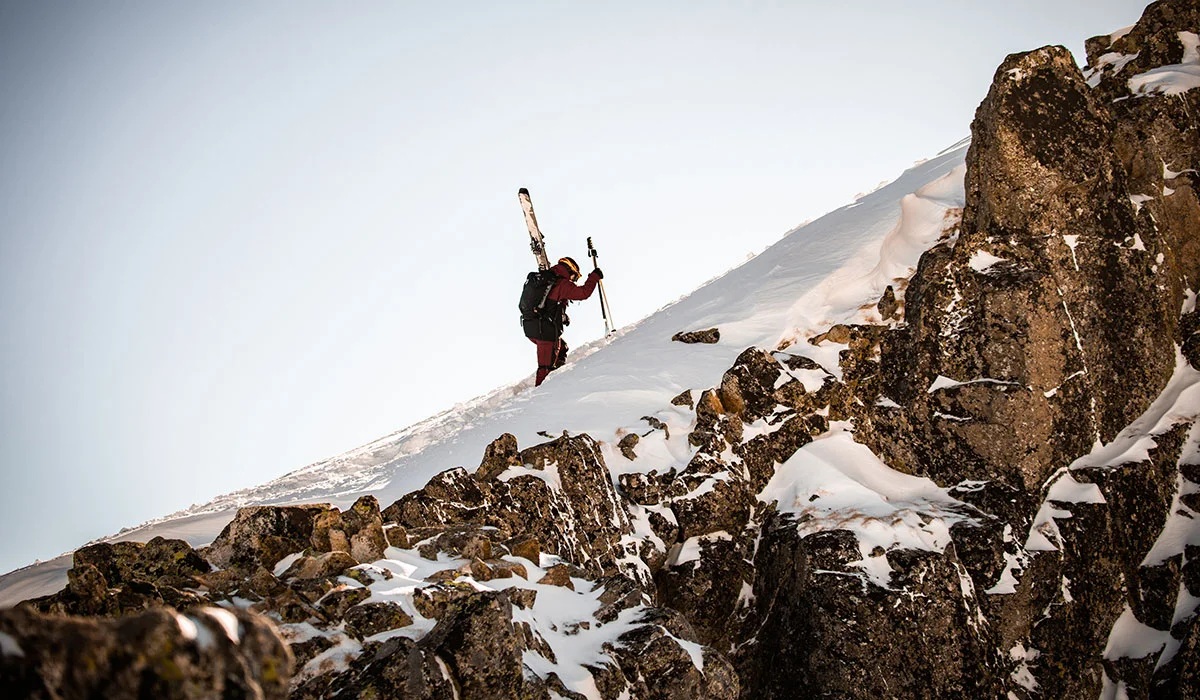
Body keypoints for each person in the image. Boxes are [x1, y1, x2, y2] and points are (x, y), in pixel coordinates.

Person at [530, 256, 603, 386]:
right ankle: (541, 393)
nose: (573, 281)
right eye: (574, 277)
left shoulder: (548, 280)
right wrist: (594, 277)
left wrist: (562, 316)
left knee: (561, 348)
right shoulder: (562, 284)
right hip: (544, 332)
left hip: (532, 326)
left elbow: (549, 305)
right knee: (545, 367)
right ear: (570, 270)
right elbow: (583, 293)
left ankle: (558, 379)